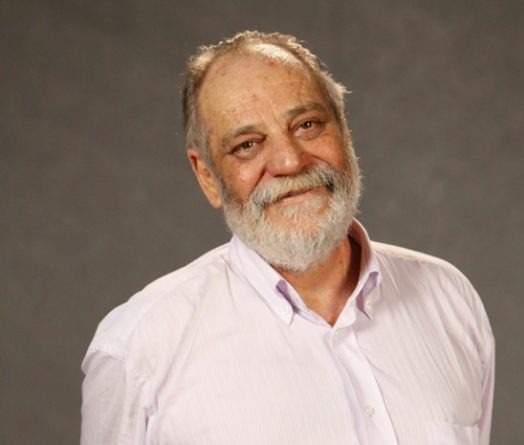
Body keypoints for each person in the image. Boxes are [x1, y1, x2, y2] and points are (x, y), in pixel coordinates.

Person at [81, 31, 494, 445]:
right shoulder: (139, 349)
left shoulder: (448, 299)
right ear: (207, 176)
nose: (290, 161)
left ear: (344, 131)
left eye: (307, 125)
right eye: (247, 145)